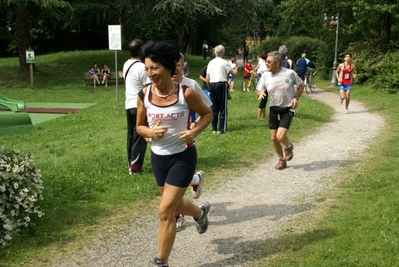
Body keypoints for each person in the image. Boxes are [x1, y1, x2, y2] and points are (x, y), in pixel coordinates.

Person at [136, 41, 212, 267]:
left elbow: (207, 114)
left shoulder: (186, 93)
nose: (150, 73)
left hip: (183, 156)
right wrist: (149, 132)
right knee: (176, 205)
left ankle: (162, 261)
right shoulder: (144, 94)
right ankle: (199, 212)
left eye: (155, 68)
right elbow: (139, 126)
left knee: (165, 211)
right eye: (147, 68)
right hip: (158, 158)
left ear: (170, 68)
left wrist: (194, 131)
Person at [172, 53, 212, 232]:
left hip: (186, 138)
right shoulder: (156, 86)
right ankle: (195, 180)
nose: (174, 69)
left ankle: (178, 216)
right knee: (173, 179)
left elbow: (208, 108)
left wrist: (194, 127)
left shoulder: (191, 85)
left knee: (173, 183)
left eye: (178, 65)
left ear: (183, 66)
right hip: (164, 142)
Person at [257, 51, 304, 170]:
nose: (266, 63)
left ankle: (288, 146)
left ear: (277, 63)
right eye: (266, 61)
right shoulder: (265, 75)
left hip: (287, 108)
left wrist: (295, 97)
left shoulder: (289, 73)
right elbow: (259, 90)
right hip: (273, 108)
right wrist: (261, 92)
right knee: (273, 138)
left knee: (280, 136)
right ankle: (281, 159)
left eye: (268, 62)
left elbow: (301, 85)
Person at [123, 39, 151, 175]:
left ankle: (131, 164)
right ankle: (135, 167)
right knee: (140, 135)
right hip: (139, 105)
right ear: (141, 51)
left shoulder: (126, 64)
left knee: (131, 135)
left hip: (128, 104)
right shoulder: (141, 67)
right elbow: (147, 87)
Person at [206, 44, 238, 134]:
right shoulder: (224, 62)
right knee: (223, 107)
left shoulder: (211, 62)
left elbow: (207, 78)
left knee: (214, 107)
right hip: (221, 84)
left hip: (212, 84)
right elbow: (234, 74)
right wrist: (236, 68)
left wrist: (209, 87)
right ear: (223, 53)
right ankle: (221, 129)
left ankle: (213, 128)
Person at [253, 51, 268, 119]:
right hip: (264, 83)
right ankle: (259, 117)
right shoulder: (265, 65)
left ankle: (264, 115)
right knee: (263, 100)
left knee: (264, 100)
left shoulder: (262, 63)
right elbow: (265, 75)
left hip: (262, 82)